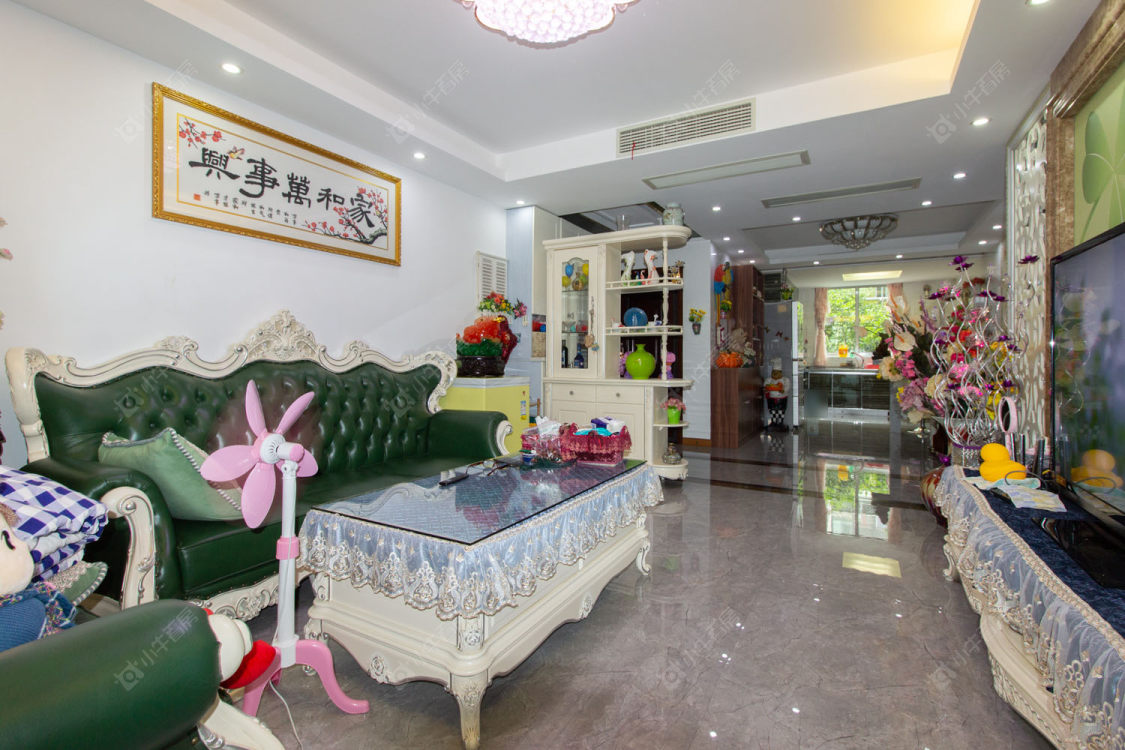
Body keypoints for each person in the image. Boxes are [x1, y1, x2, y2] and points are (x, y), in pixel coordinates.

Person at [763, 359, 790, 431]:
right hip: (771, 399)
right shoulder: (769, 380)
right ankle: (773, 422)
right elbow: (765, 386)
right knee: (772, 410)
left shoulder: (785, 380)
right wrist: (767, 388)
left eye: (777, 372)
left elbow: (787, 387)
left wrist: (783, 390)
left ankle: (780, 423)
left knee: (781, 411)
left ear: (780, 373)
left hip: (782, 399)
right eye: (774, 372)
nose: (775, 374)